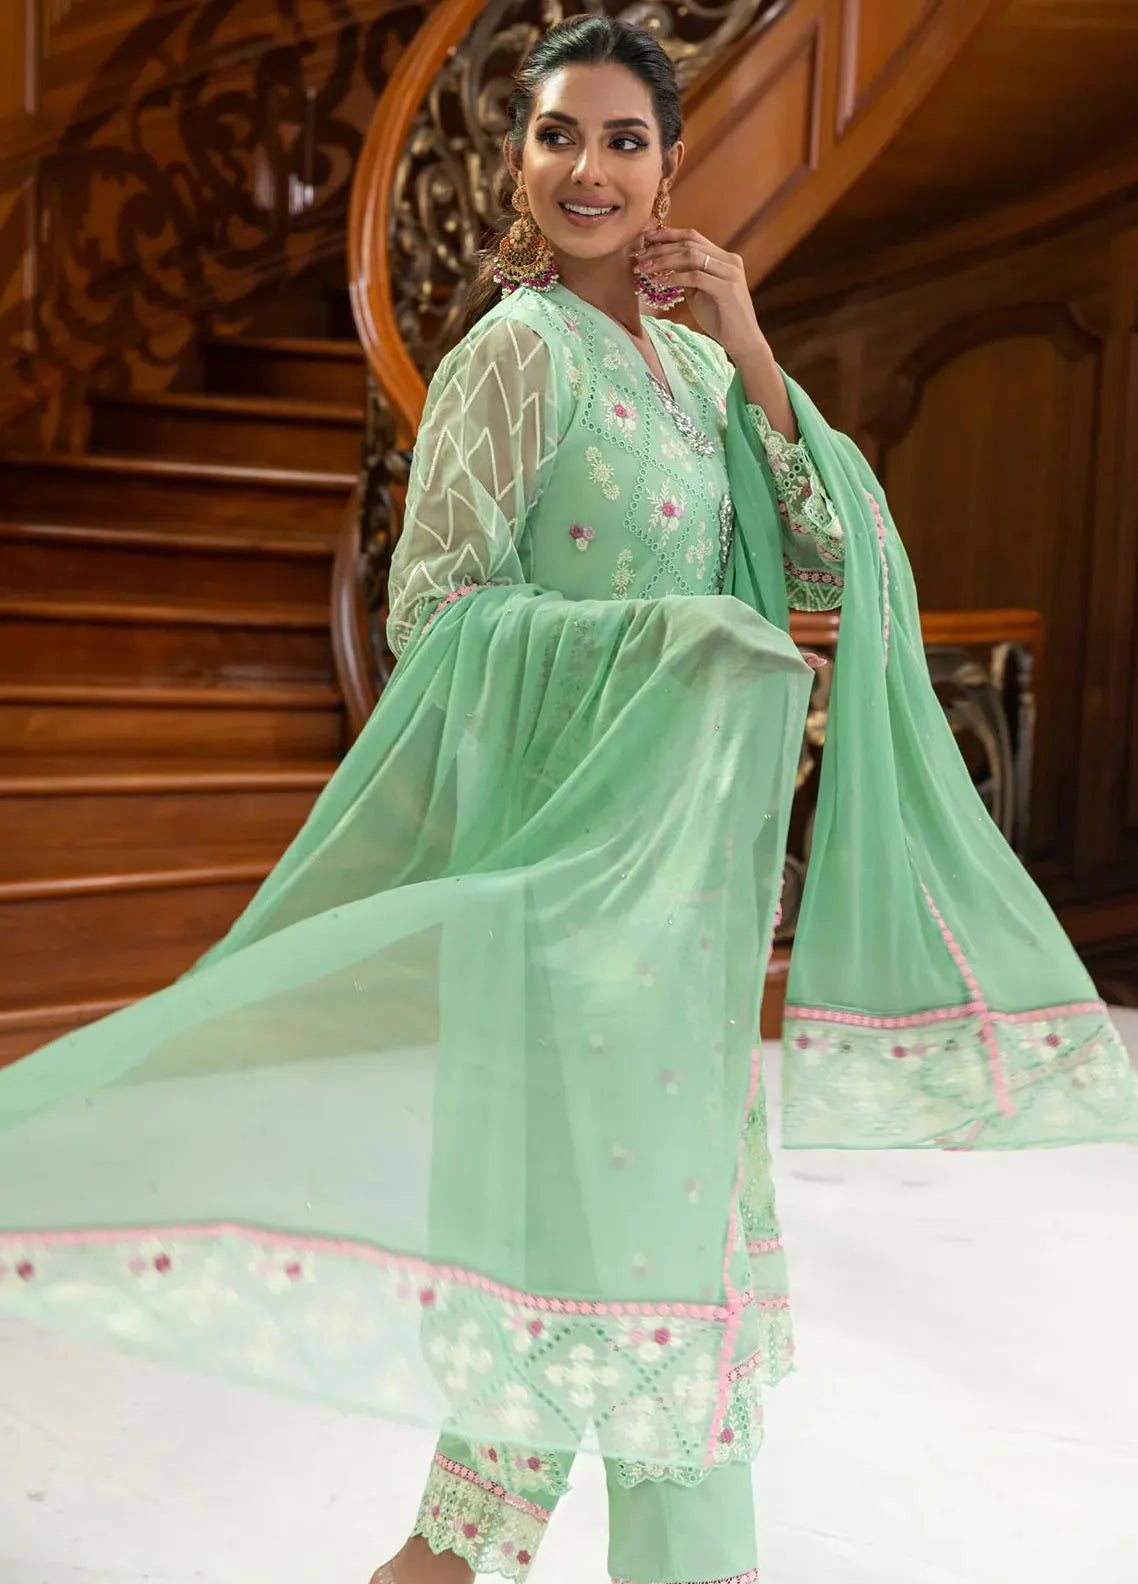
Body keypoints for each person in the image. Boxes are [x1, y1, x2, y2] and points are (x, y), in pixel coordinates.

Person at [0, 18, 1134, 1584]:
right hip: (562, 880)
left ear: (670, 166)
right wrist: (658, 640)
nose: (586, 168)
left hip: (690, 890)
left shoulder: (694, 368)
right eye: (555, 136)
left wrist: (748, 338)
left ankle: (451, 1561)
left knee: (642, 1260)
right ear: (514, 161)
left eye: (620, 138)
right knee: (611, 1257)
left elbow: (822, 564)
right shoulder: (510, 355)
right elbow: (435, 614)